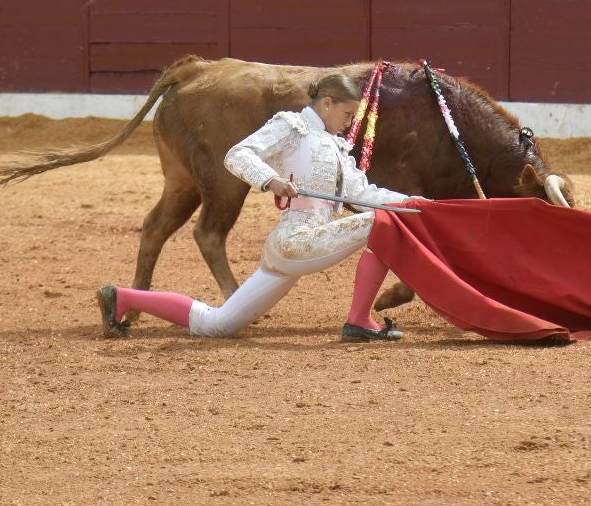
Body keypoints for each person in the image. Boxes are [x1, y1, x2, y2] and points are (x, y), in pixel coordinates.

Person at [99, 73, 417, 342]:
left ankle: (122, 298)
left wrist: (413, 204)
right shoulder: (292, 127)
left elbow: (361, 191)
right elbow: (238, 154)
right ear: (328, 103)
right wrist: (271, 180)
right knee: (381, 223)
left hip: (295, 248)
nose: (350, 124)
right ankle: (359, 321)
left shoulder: (334, 145)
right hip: (296, 242)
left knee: (218, 325)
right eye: (348, 114)